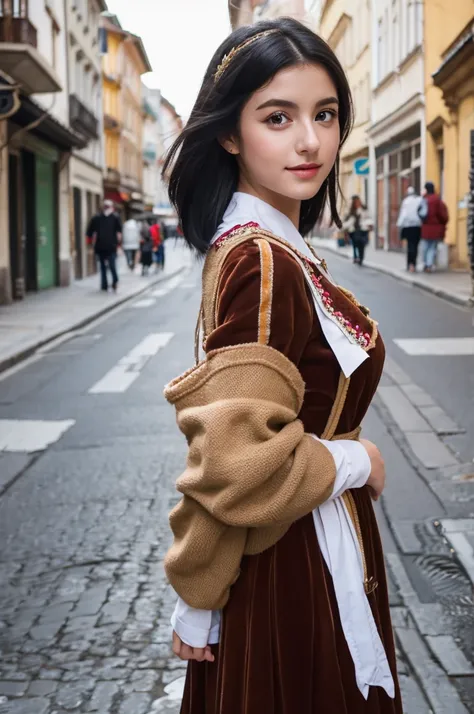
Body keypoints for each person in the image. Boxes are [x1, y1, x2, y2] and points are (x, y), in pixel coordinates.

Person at [162, 17, 401, 714]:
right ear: (230, 134)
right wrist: (357, 462)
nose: (311, 140)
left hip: (308, 553)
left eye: (325, 115)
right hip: (291, 569)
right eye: (278, 116)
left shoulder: (268, 245)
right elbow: (234, 459)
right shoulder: (262, 260)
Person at [86, 199, 122, 292]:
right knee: (103, 267)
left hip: (111, 246)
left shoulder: (115, 217)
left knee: (112, 265)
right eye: (105, 206)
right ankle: (104, 285)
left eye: (107, 206)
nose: (106, 208)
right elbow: (89, 231)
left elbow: (119, 232)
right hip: (101, 246)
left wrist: (119, 245)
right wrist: (89, 244)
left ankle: (115, 281)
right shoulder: (97, 218)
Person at [419, 181, 449, 273]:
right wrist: (444, 222)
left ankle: (425, 263)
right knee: (432, 247)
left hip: (425, 227)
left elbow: (420, 213)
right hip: (435, 227)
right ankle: (429, 264)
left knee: (425, 247)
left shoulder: (424, 199)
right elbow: (442, 214)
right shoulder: (437, 200)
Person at [396, 186, 423, 272]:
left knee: (409, 246)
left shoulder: (406, 202)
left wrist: (399, 224)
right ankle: (413, 264)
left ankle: (409, 264)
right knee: (415, 246)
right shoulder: (419, 200)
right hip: (417, 226)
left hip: (408, 226)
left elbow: (403, 214)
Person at [343, 195, 373, 266]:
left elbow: (369, 218)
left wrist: (369, 225)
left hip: (363, 229)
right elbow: (346, 220)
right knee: (355, 243)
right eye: (355, 202)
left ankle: (360, 258)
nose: (357, 203)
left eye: (358, 201)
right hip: (353, 230)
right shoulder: (351, 211)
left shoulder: (364, 209)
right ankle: (356, 257)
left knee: (361, 244)